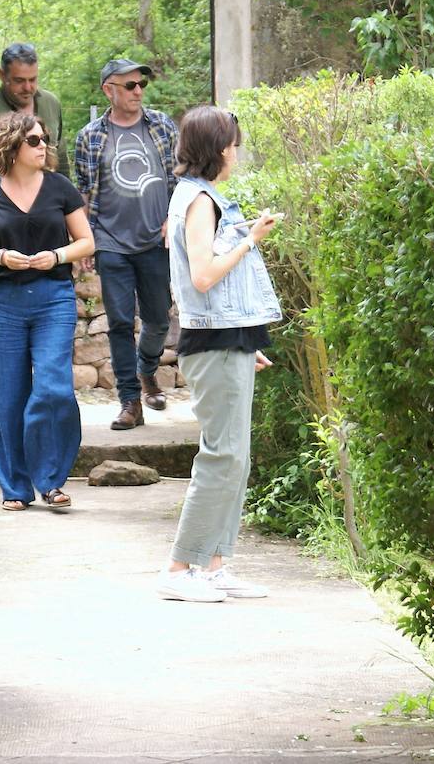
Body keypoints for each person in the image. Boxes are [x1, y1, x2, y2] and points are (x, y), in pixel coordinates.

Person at [155, 106, 283, 602]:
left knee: (236, 458)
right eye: (232, 143)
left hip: (226, 339)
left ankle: (213, 566)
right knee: (221, 456)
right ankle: (178, 568)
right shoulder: (199, 201)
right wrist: (251, 240)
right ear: (218, 149)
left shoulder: (200, 197)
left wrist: (244, 343)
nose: (236, 151)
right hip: (211, 342)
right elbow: (204, 276)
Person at [0, 111, 94, 511]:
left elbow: (86, 242)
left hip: (53, 298)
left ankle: (51, 480)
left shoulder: (60, 187)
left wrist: (56, 255)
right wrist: (3, 256)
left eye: (45, 139)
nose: (44, 147)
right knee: (8, 398)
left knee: (53, 387)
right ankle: (15, 487)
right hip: (3, 305)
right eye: (35, 141)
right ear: (12, 146)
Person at [74, 59, 178, 431]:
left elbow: (179, 179)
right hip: (110, 241)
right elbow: (84, 193)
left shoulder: (162, 126)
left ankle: (147, 369)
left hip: (155, 239)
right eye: (129, 85)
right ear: (109, 90)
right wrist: (85, 240)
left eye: (141, 85)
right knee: (119, 323)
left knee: (158, 319)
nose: (137, 91)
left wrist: (172, 219)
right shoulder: (90, 136)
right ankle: (130, 400)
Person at [0, 42, 67, 182]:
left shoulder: (50, 104)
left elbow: (61, 163)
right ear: (2, 75)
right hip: (9, 201)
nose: (27, 87)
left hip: (53, 199)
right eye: (19, 81)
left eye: (32, 80)